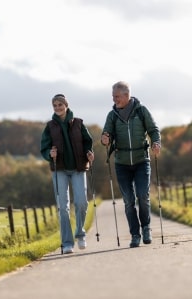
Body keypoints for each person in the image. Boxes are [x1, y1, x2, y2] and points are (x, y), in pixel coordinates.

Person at [101, 81, 161, 248]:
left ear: (127, 96)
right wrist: (105, 139)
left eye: (117, 97)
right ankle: (135, 235)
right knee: (128, 200)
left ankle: (146, 228)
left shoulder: (141, 111)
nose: (114, 100)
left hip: (142, 160)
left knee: (142, 195)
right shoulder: (112, 115)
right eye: (113, 97)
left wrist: (156, 142)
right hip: (122, 163)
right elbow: (107, 134)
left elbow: (153, 130)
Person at [40, 94, 95, 254]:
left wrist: (89, 152)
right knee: (63, 208)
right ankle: (67, 243)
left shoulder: (78, 123)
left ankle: (80, 233)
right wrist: (50, 153)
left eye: (60, 104)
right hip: (59, 169)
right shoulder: (49, 127)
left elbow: (87, 142)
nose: (57, 108)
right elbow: (44, 148)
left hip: (78, 167)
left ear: (66, 105)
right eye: (55, 105)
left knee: (81, 202)